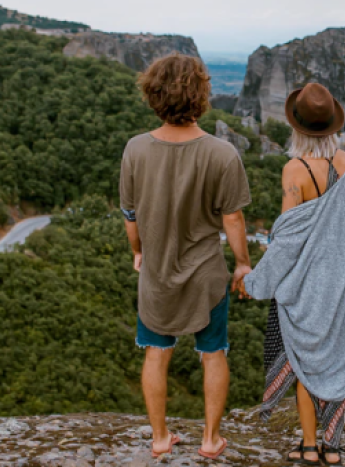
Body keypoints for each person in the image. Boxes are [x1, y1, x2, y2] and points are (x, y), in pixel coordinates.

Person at [119, 53, 252, 460]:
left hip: (156, 272)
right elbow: (232, 218)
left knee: (156, 353)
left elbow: (130, 216)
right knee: (213, 353)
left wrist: (138, 251)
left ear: (153, 94)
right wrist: (243, 263)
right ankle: (210, 440)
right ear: (201, 95)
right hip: (206, 275)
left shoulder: (135, 149)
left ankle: (160, 438)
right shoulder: (222, 153)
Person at [237, 82, 345, 466]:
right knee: (336, 363)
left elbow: (286, 243)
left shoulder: (294, 170)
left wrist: (254, 282)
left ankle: (310, 446)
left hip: (305, 287)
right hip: (344, 284)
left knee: (303, 366)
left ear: (297, 126)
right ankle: (333, 447)